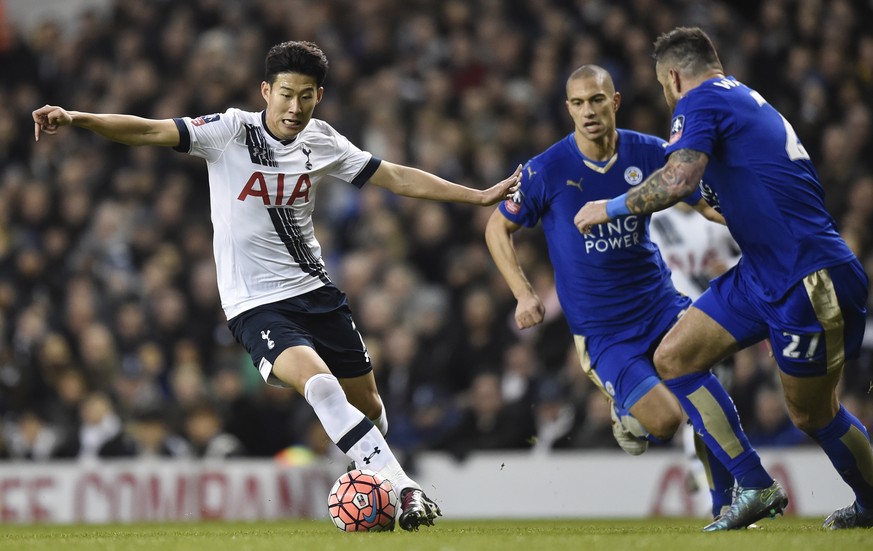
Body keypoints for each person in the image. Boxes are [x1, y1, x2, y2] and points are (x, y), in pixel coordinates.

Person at [32, 40, 521, 531]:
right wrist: (77, 118)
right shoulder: (229, 132)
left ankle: (372, 477)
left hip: (318, 294)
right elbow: (148, 130)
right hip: (255, 305)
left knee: (369, 407)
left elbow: (392, 176)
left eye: (306, 96)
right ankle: (405, 488)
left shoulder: (322, 141)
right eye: (286, 93)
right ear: (266, 91)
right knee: (321, 386)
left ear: (319, 97)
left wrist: (476, 196)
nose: (294, 107)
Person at [573, 27, 873, 531]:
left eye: (664, 87)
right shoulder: (743, 100)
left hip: (807, 276)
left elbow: (681, 178)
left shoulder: (702, 102)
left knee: (813, 414)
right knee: (674, 357)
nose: (668, 98)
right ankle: (754, 485)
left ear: (672, 76)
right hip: (762, 271)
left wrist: (611, 206)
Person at [484, 64, 736, 518]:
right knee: (666, 420)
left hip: (661, 305)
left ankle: (725, 508)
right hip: (604, 330)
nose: (588, 111)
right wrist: (523, 293)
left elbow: (704, 204)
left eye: (597, 100)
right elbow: (497, 227)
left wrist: (749, 221)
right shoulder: (546, 169)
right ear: (568, 109)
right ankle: (628, 410)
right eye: (578, 103)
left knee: (703, 397)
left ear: (614, 102)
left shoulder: (651, 151)